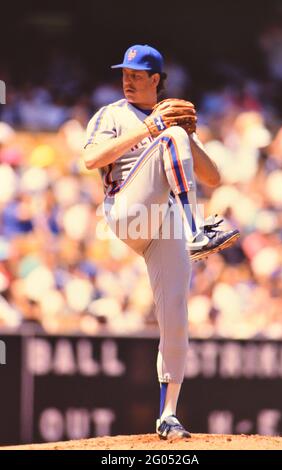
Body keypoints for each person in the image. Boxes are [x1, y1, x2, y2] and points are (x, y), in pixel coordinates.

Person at [83, 44, 239, 439]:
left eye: (136, 75)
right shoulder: (113, 114)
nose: (127, 80)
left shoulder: (171, 119)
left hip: (165, 221)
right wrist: (152, 128)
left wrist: (189, 136)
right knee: (169, 135)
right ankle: (198, 231)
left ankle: (168, 415)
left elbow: (214, 178)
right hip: (128, 209)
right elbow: (90, 159)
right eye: (125, 73)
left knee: (175, 310)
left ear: (156, 79)